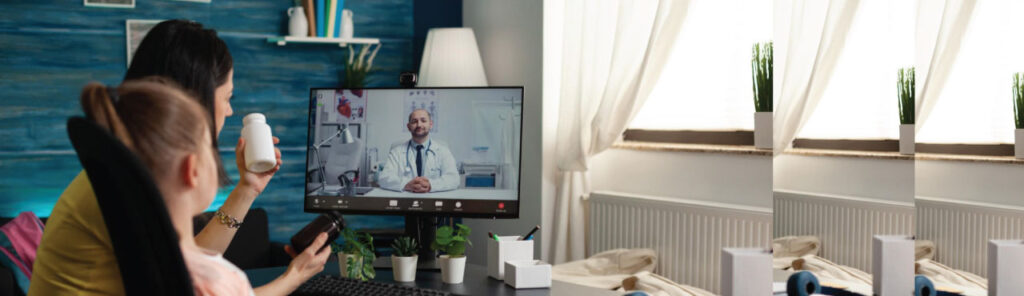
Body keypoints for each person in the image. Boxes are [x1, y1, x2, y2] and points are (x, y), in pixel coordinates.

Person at [30, 20, 323, 295]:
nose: (230, 111)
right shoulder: (137, 182)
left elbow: (182, 269)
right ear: (194, 105)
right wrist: (291, 279)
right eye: (227, 98)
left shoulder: (122, 168)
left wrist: (248, 189)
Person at [75, 78, 330, 295]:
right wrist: (294, 276)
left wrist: (248, 188)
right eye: (212, 149)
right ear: (192, 169)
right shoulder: (216, 279)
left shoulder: (141, 257)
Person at [378, 109, 459, 193]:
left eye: (423, 121)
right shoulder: (396, 152)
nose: (419, 125)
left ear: (430, 125)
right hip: (405, 201)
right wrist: (406, 184)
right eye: (414, 121)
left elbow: (454, 178)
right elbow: (384, 178)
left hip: (434, 201)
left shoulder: (443, 151)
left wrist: (431, 185)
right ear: (408, 127)